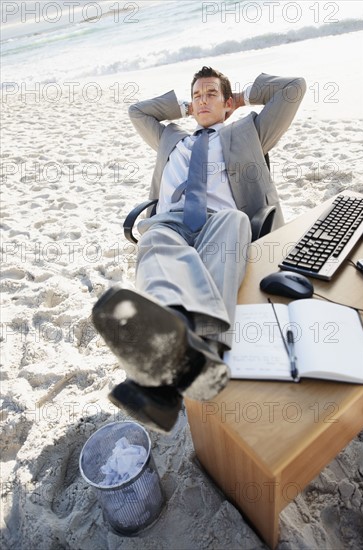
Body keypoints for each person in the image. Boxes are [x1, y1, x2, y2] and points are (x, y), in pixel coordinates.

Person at [92, 67, 306, 432]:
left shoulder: (248, 132)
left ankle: (170, 372)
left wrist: (241, 97)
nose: (203, 99)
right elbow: (137, 111)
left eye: (211, 94)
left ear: (226, 103)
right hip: (171, 219)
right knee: (154, 238)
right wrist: (181, 106)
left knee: (236, 221)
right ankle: (199, 352)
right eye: (197, 95)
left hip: (221, 219)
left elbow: (292, 87)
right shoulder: (170, 137)